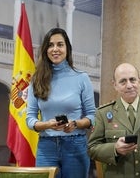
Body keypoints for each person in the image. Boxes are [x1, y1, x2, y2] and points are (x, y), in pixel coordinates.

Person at [26, 28, 96, 178]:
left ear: (67, 49)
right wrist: (47, 125)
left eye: (60, 44)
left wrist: (75, 124)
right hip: (46, 147)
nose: (55, 49)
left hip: (76, 145)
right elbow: (30, 119)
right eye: (50, 45)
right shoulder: (36, 80)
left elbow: (93, 116)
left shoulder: (82, 78)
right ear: (45, 50)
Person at [88, 62, 140, 178]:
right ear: (115, 85)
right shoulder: (103, 113)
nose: (129, 85)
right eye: (123, 81)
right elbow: (92, 148)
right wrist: (114, 148)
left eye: (133, 80)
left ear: (139, 81)